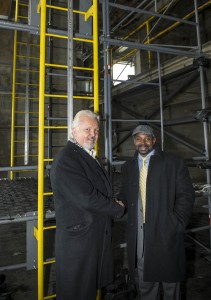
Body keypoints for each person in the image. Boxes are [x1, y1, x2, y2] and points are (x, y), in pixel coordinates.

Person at [50, 110, 124, 300]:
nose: (93, 134)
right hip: (79, 243)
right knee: (76, 293)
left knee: (86, 292)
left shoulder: (84, 155)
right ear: (74, 132)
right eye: (87, 129)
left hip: (89, 239)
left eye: (96, 130)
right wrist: (117, 208)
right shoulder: (67, 158)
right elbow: (86, 198)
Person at [117, 124, 195, 300]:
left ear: (154, 140)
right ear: (134, 141)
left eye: (146, 138)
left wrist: (176, 223)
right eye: (138, 139)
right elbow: (124, 194)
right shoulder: (127, 167)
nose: (142, 143)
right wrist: (117, 204)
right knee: (145, 284)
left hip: (166, 232)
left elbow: (186, 195)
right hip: (140, 235)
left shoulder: (173, 162)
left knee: (170, 285)